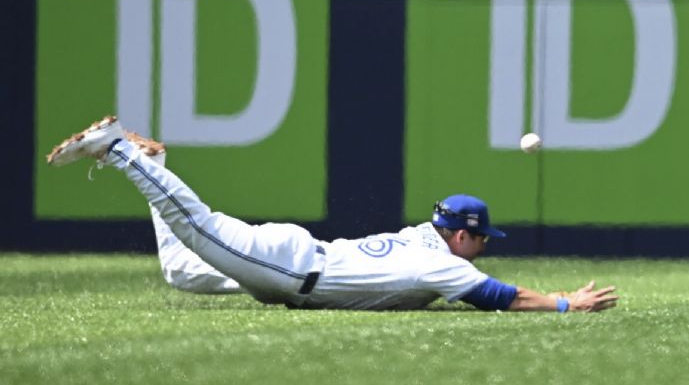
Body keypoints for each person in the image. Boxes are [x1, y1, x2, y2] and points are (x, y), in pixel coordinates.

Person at [47, 116, 619, 313]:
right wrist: (567, 302)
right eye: (482, 239)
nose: (485, 247)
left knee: (182, 268)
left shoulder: (423, 233)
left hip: (296, 264)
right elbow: (501, 297)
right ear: (461, 237)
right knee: (199, 225)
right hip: (290, 269)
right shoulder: (439, 266)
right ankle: (118, 147)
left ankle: (155, 161)